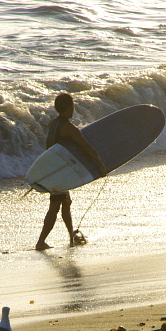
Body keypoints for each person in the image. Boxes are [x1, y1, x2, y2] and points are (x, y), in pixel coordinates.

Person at [35, 93, 108, 251]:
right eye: (72, 106)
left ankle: (70, 237)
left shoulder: (53, 123)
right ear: (68, 107)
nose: (73, 109)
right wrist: (100, 165)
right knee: (54, 207)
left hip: (53, 168)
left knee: (66, 203)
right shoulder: (68, 128)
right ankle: (41, 242)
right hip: (58, 172)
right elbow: (86, 147)